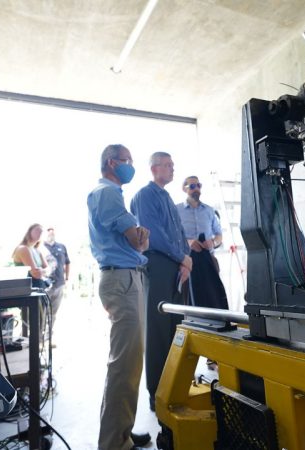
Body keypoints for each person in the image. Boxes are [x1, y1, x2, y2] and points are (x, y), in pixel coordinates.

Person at [88, 144, 152, 450]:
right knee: (124, 365)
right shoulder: (109, 193)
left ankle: (120, 432)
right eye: (127, 161)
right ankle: (114, 443)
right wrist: (140, 233)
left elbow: (138, 239)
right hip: (122, 279)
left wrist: (139, 235)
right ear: (112, 162)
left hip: (125, 278)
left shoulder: (109, 194)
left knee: (127, 364)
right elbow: (138, 241)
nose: (131, 166)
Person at [130, 151, 192, 411]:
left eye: (173, 165)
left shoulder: (167, 196)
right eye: (168, 165)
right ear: (154, 168)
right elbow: (153, 235)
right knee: (157, 331)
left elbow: (178, 232)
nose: (172, 169)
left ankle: (175, 386)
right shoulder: (145, 196)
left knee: (177, 328)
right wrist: (182, 257)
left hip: (178, 267)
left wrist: (186, 258)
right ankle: (157, 393)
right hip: (159, 266)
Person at [177, 176, 229, 310]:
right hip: (187, 262)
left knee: (214, 299)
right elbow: (172, 236)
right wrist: (188, 242)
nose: (197, 189)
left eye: (198, 185)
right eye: (192, 186)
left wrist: (213, 242)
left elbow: (219, 234)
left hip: (208, 261)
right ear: (184, 189)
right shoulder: (176, 210)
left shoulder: (209, 210)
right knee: (189, 302)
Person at [43, 227, 70, 337]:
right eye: (48, 231)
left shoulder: (61, 246)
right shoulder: (41, 246)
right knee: (42, 312)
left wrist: (67, 277)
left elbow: (68, 262)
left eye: (53, 231)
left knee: (53, 312)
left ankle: (48, 336)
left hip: (59, 283)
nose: (51, 233)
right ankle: (38, 336)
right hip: (45, 285)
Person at [12, 223, 50, 289]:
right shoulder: (23, 249)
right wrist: (43, 271)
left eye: (41, 231)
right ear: (29, 232)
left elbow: (48, 269)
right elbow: (36, 274)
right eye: (37, 230)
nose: (39, 233)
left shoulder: (37, 250)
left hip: (38, 288)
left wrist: (42, 271)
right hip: (27, 290)